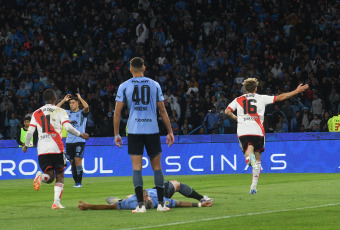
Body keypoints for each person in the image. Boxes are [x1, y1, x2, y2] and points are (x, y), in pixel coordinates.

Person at [225, 78, 308, 195]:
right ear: (256, 88)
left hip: (244, 131)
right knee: (258, 160)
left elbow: (227, 111)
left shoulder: (238, 99)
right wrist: (296, 91)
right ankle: (253, 187)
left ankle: (249, 159)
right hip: (258, 131)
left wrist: (236, 118)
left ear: (245, 89)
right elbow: (281, 97)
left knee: (249, 155)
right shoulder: (261, 98)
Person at [114, 57, 174, 213]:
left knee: (137, 169)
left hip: (134, 131)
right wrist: (170, 131)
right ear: (144, 68)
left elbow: (117, 112)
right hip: (152, 130)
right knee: (157, 168)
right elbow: (162, 110)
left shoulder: (124, 86)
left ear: (130, 69)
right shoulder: (154, 84)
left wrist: (116, 134)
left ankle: (140, 205)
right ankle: (161, 204)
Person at [22, 89, 89, 209]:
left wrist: (26, 145)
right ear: (54, 99)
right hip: (56, 147)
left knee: (49, 176)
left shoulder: (36, 113)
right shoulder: (60, 111)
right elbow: (68, 127)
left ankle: (41, 177)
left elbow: (30, 131)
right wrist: (80, 134)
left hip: (42, 149)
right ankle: (56, 203)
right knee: (59, 174)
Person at [77, 180, 213, 211]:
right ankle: (201, 197)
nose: (145, 194)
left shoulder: (132, 202)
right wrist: (200, 204)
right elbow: (179, 203)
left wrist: (90, 206)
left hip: (144, 193)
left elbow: (110, 208)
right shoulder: (160, 200)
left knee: (129, 196)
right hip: (160, 191)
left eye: (145, 195)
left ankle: (121, 199)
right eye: (145, 195)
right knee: (176, 184)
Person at [56, 93, 90, 188]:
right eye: (70, 103)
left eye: (73, 103)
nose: (71, 104)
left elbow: (86, 107)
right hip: (69, 141)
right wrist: (63, 100)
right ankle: (76, 182)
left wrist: (80, 97)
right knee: (72, 162)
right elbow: (55, 109)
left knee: (77, 159)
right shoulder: (67, 113)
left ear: (78, 104)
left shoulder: (82, 113)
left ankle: (79, 182)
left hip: (80, 139)